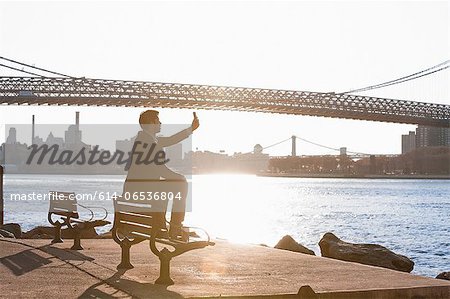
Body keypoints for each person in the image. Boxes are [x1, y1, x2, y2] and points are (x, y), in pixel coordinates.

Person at [123, 109, 199, 239]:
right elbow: (161, 170)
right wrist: (180, 178)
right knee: (180, 184)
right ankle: (175, 227)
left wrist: (191, 128)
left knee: (171, 187)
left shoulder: (147, 139)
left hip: (138, 190)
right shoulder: (148, 142)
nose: (160, 123)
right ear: (151, 123)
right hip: (142, 192)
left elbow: (171, 140)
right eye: (158, 120)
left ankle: (167, 225)